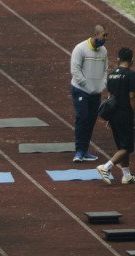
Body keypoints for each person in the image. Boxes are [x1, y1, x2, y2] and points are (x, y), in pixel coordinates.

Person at [97, 47, 135, 185]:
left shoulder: (111, 75)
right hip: (125, 114)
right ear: (131, 60)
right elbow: (132, 97)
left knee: (122, 145)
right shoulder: (131, 75)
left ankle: (126, 175)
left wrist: (109, 117)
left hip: (113, 115)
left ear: (118, 59)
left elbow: (110, 97)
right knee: (128, 147)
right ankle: (106, 167)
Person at [70, 25, 107, 163]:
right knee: (82, 117)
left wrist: (102, 85)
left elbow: (105, 69)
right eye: (104, 35)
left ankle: (85, 150)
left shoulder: (103, 51)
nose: (105, 39)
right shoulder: (80, 49)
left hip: (95, 92)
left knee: (91, 120)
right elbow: (75, 71)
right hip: (81, 90)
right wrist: (87, 85)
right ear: (96, 34)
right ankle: (79, 151)